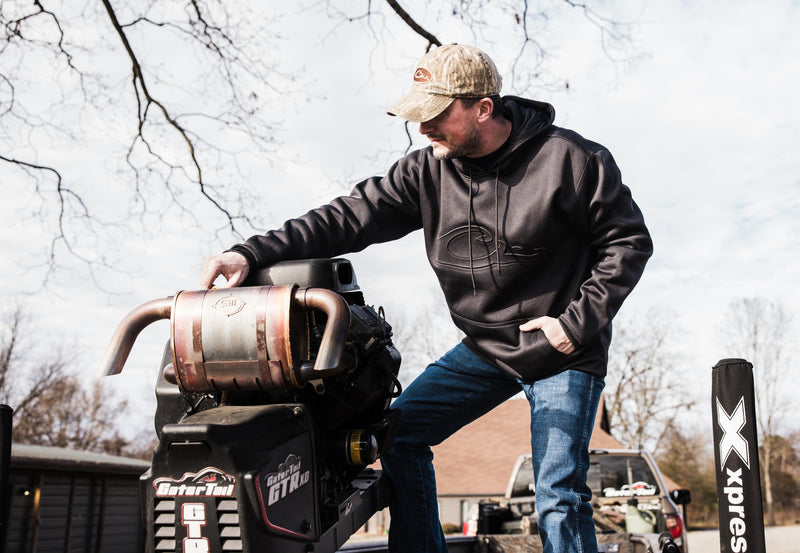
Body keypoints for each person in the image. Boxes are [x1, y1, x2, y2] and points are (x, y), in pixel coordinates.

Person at [200, 44, 652, 553]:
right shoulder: (427, 171)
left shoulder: (570, 159)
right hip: (484, 349)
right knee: (399, 434)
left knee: (557, 492)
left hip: (561, 350)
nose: (423, 127)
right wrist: (248, 252)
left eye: (436, 114)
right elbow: (345, 217)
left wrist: (574, 325)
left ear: (483, 108)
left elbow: (629, 242)